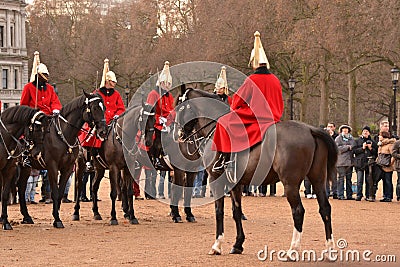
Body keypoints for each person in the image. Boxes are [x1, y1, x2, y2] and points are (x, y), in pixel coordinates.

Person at [212, 31, 284, 175]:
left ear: (254, 63)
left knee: (222, 122)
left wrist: (236, 108)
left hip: (255, 116)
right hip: (274, 116)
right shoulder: (275, 79)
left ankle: (224, 159)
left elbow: (237, 101)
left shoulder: (252, 79)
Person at [78, 58, 125, 169]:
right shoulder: (97, 93)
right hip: (100, 121)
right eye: (112, 82)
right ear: (107, 81)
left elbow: (121, 108)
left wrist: (117, 115)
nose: (114, 84)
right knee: (91, 134)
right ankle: (90, 158)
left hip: (113, 121)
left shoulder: (117, 94)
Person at [20, 51, 62, 167]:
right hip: (33, 117)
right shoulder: (28, 87)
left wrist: (55, 109)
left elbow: (55, 101)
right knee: (29, 134)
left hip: (48, 116)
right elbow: (23, 104)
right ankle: (26, 155)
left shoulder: (49, 88)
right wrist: (31, 113)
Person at [147, 61, 175, 170]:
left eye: (169, 84)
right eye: (166, 83)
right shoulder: (153, 94)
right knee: (158, 137)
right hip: (156, 122)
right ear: (161, 82)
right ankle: (156, 157)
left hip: (168, 122)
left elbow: (172, 110)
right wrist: (159, 118)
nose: (167, 86)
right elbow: (150, 110)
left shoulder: (170, 96)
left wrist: (170, 118)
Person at [353, 126, 377, 201]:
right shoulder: (357, 141)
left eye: (367, 131)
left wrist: (370, 148)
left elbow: (376, 152)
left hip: (369, 164)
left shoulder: (372, 142)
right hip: (359, 163)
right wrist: (362, 148)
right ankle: (359, 195)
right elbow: (354, 151)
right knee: (359, 180)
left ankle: (368, 195)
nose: (365, 132)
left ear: (369, 133)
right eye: (364, 131)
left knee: (368, 180)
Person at [335, 125, 356, 200]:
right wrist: (347, 147)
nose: (345, 130)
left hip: (350, 162)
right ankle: (340, 195)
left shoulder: (351, 138)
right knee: (341, 179)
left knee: (349, 179)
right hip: (341, 162)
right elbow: (337, 148)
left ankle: (349, 195)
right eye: (343, 129)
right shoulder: (338, 138)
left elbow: (354, 146)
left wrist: (350, 147)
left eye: (346, 129)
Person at [374, 131, 395, 202]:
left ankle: (389, 196)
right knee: (384, 181)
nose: (379, 137)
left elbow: (393, 155)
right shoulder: (381, 145)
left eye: (380, 135)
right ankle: (385, 195)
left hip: (388, 167)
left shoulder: (390, 145)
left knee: (388, 181)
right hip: (381, 166)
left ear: (383, 136)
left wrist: (390, 163)